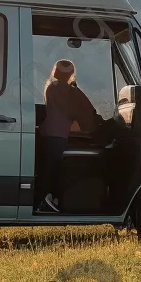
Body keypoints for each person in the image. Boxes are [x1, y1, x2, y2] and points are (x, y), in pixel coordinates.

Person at [36, 59, 101, 212]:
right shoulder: (71, 91)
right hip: (59, 136)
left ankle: (42, 200)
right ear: (71, 74)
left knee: (46, 169)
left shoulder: (50, 87)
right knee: (52, 170)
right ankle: (41, 201)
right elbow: (85, 110)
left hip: (46, 133)